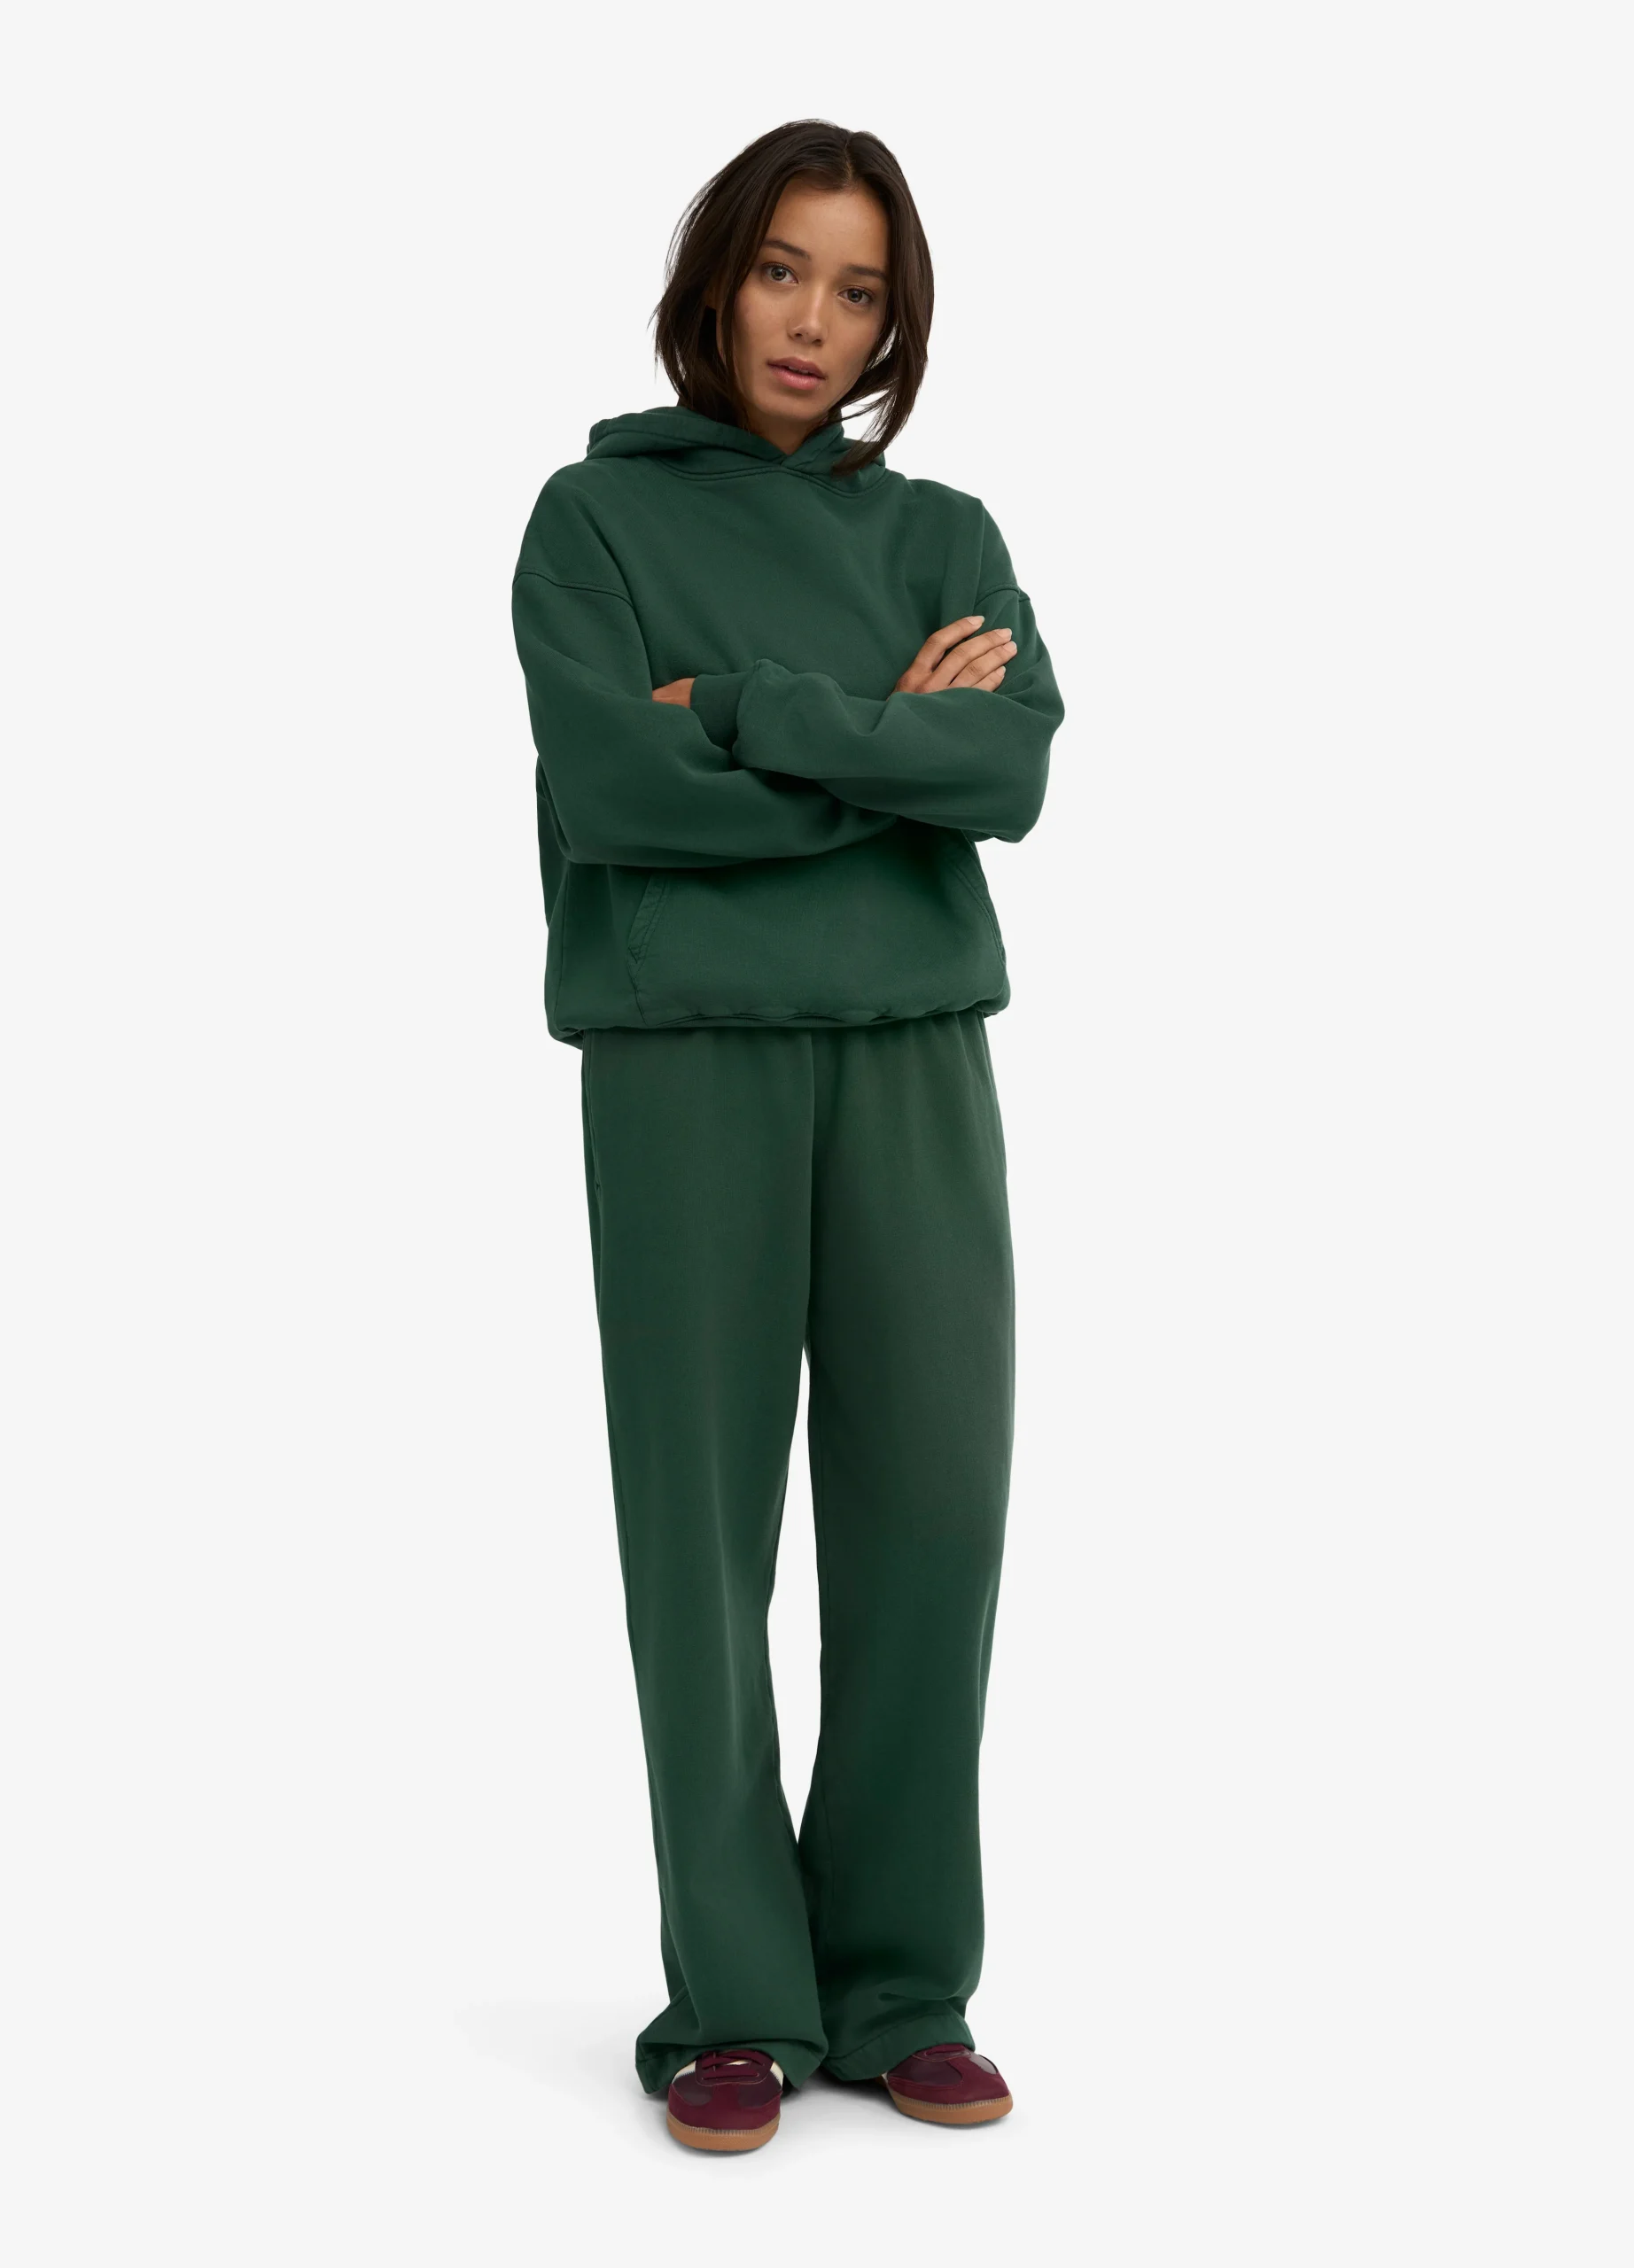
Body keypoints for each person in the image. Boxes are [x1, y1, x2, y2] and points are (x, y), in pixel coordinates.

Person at [510, 118, 1063, 2152]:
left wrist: (739, 708)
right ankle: (737, 1993)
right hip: (683, 1066)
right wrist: (879, 737)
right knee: (700, 1537)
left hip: (914, 1057)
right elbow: (617, 786)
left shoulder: (946, 538)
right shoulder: (591, 520)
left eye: (857, 288)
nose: (814, 321)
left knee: (935, 1517)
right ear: (714, 277)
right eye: (779, 270)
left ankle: (900, 1976)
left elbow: (1005, 769)